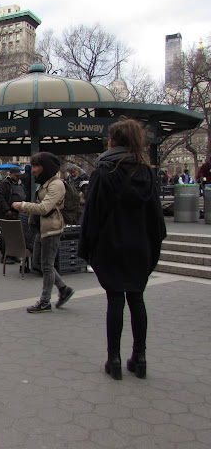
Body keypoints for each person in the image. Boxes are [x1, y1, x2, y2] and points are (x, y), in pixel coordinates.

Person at [78, 119, 166, 380]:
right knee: (137, 298)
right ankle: (140, 357)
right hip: (139, 246)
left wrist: (88, 246)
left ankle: (113, 359)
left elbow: (93, 213)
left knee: (115, 300)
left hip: (111, 244)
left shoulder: (103, 171)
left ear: (113, 141)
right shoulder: (148, 173)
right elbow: (156, 218)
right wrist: (153, 245)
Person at [12, 152, 74, 314]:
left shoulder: (56, 185)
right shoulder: (45, 183)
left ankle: (45, 301)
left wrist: (23, 205)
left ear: (44, 167)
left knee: (47, 265)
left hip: (52, 229)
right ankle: (64, 288)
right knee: (39, 263)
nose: (32, 170)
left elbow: (45, 207)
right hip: (42, 228)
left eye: (35, 166)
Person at [0, 167, 27, 259]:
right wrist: (7, 210)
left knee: (17, 234)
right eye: (16, 175)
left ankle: (15, 254)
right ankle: (7, 255)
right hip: (8, 212)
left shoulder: (20, 184)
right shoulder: (5, 184)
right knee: (8, 234)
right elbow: (0, 197)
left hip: (19, 212)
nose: (18, 177)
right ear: (11, 174)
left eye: (19, 176)